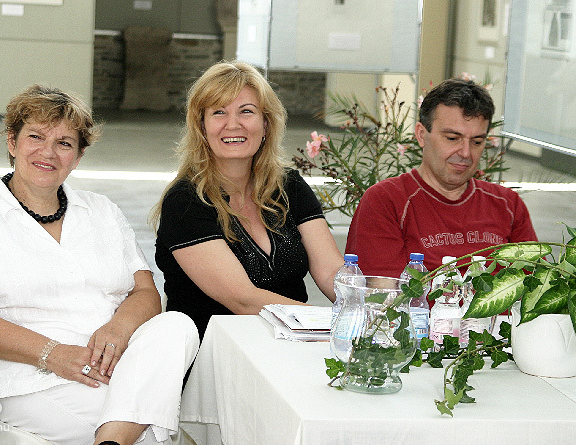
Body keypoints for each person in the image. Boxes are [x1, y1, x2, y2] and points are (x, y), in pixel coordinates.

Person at [0, 85, 199, 445]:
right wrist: (52, 354)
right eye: (36, 137)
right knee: (148, 425)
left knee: (178, 325)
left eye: (64, 143)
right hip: (26, 379)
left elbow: (145, 292)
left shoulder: (102, 211)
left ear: (78, 156)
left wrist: (118, 330)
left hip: (115, 365)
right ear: (12, 142)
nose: (48, 152)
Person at [152, 61, 343, 339]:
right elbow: (243, 299)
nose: (232, 124)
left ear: (265, 124)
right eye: (219, 112)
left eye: (246, 111)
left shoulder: (289, 186)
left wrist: (369, 307)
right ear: (202, 127)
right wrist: (336, 322)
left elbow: (331, 272)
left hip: (293, 343)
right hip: (218, 352)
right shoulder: (186, 201)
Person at [346, 78, 538, 277]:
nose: (465, 153)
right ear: (421, 135)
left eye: (476, 142)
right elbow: (382, 290)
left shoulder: (508, 204)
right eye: (452, 138)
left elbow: (537, 282)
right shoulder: (386, 201)